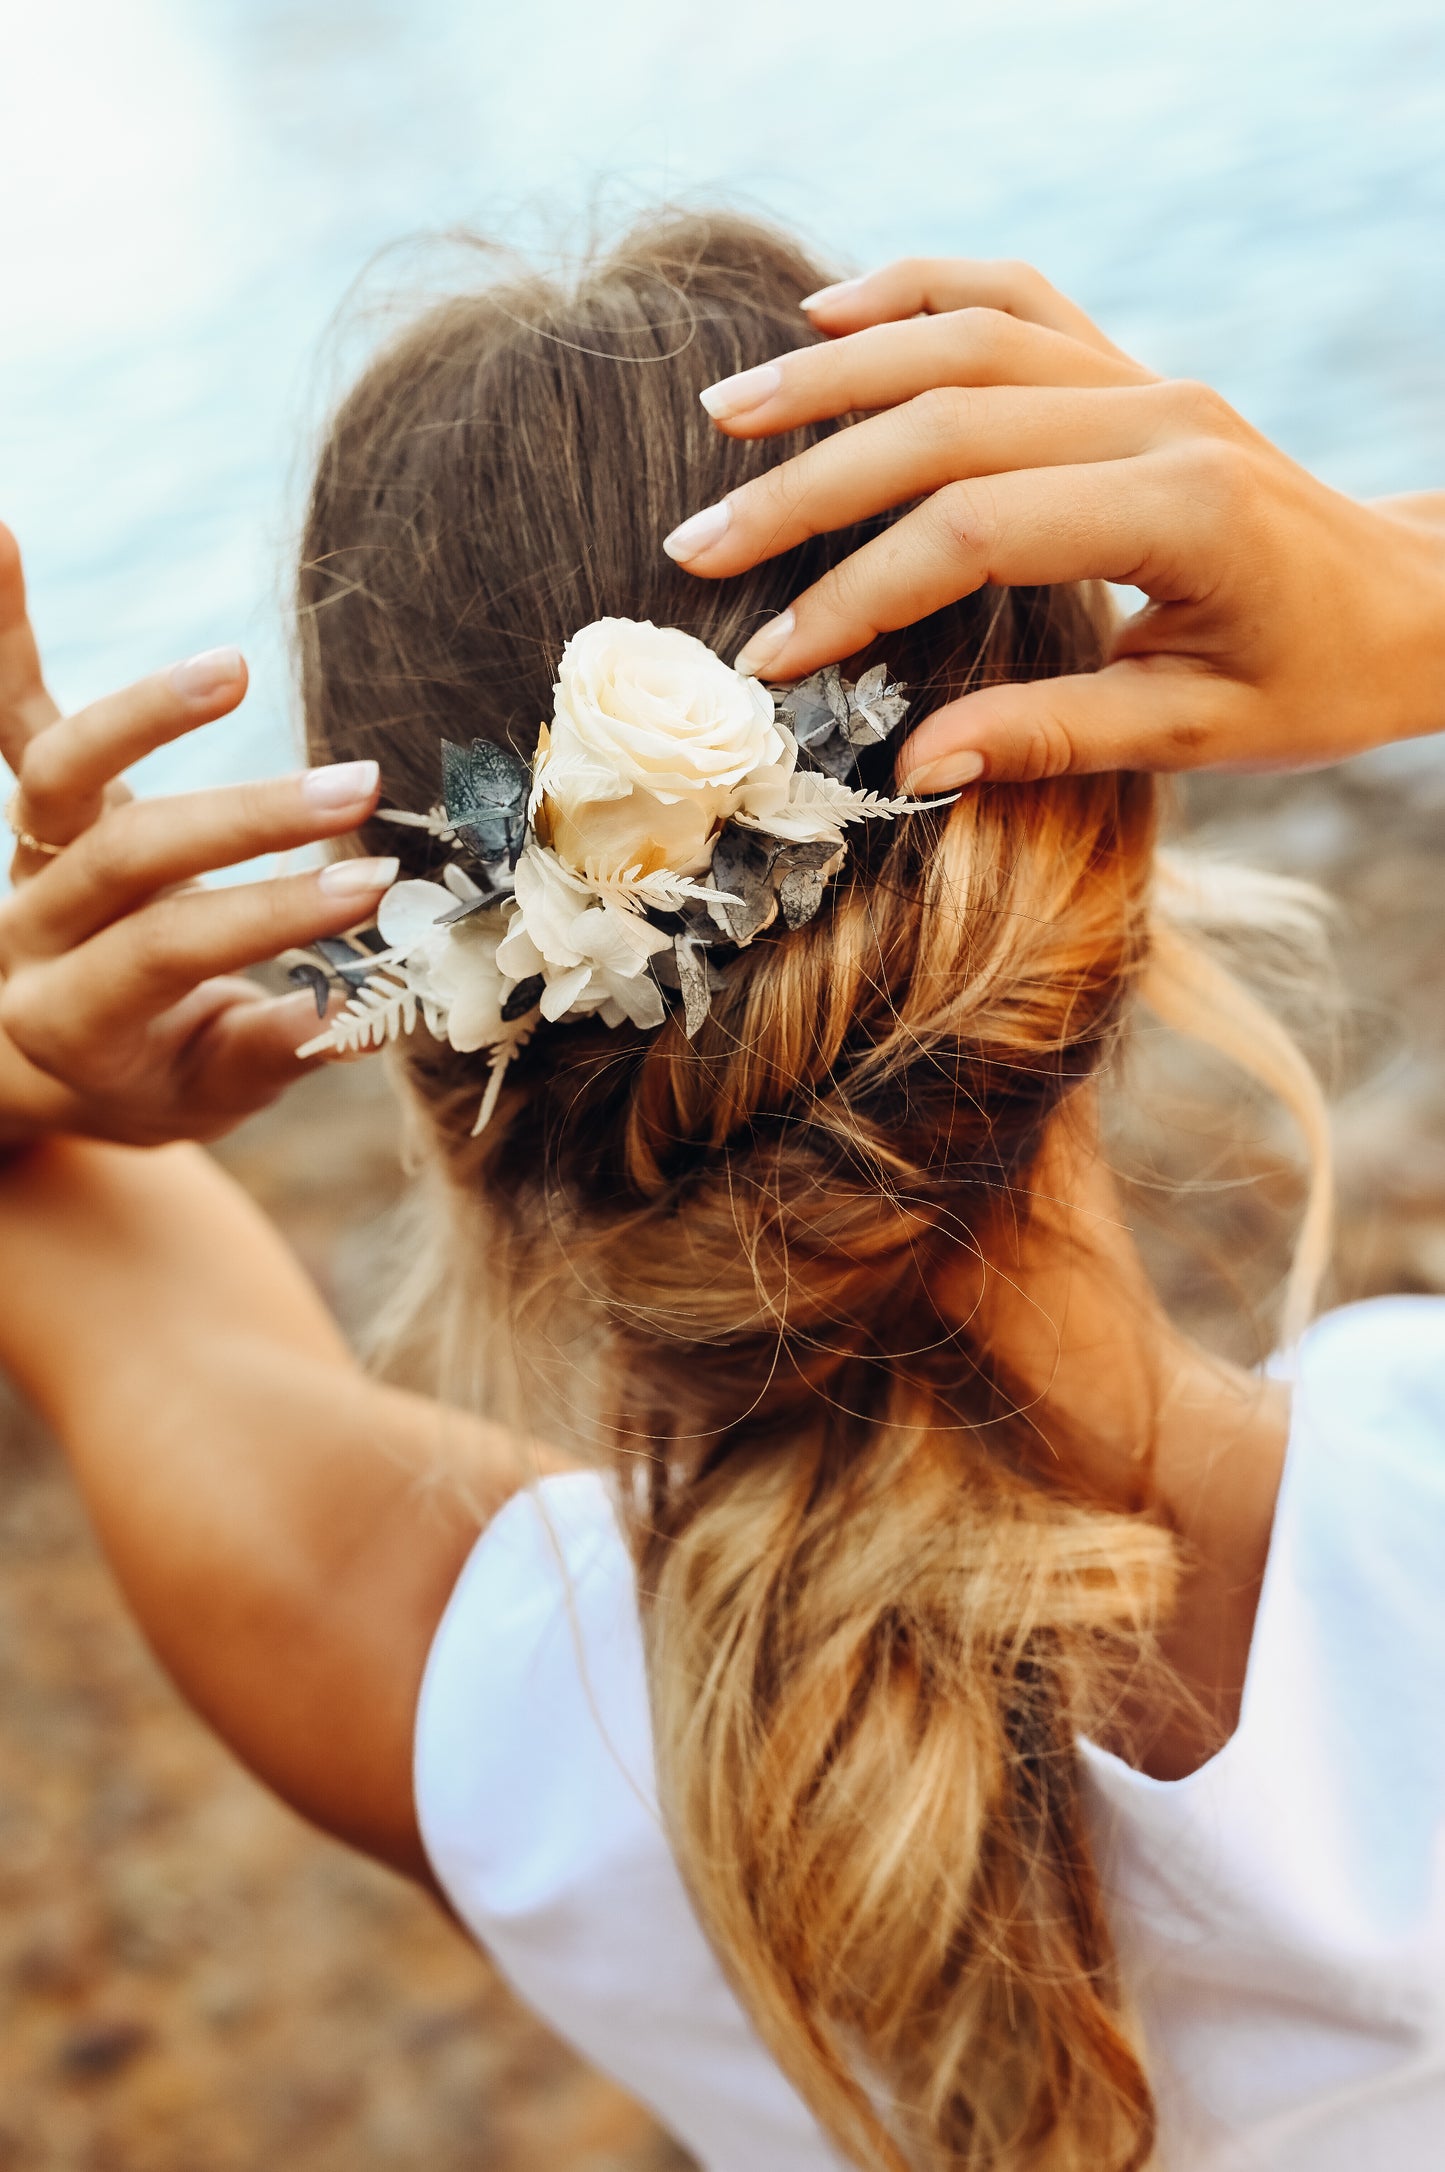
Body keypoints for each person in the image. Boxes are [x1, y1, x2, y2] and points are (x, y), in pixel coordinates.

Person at [0, 212, 1443, 2172]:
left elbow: (65, 1250)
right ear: (1102, 827)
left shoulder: (484, 1714)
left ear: (434, 1037)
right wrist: (1415, 598)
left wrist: (47, 1076)